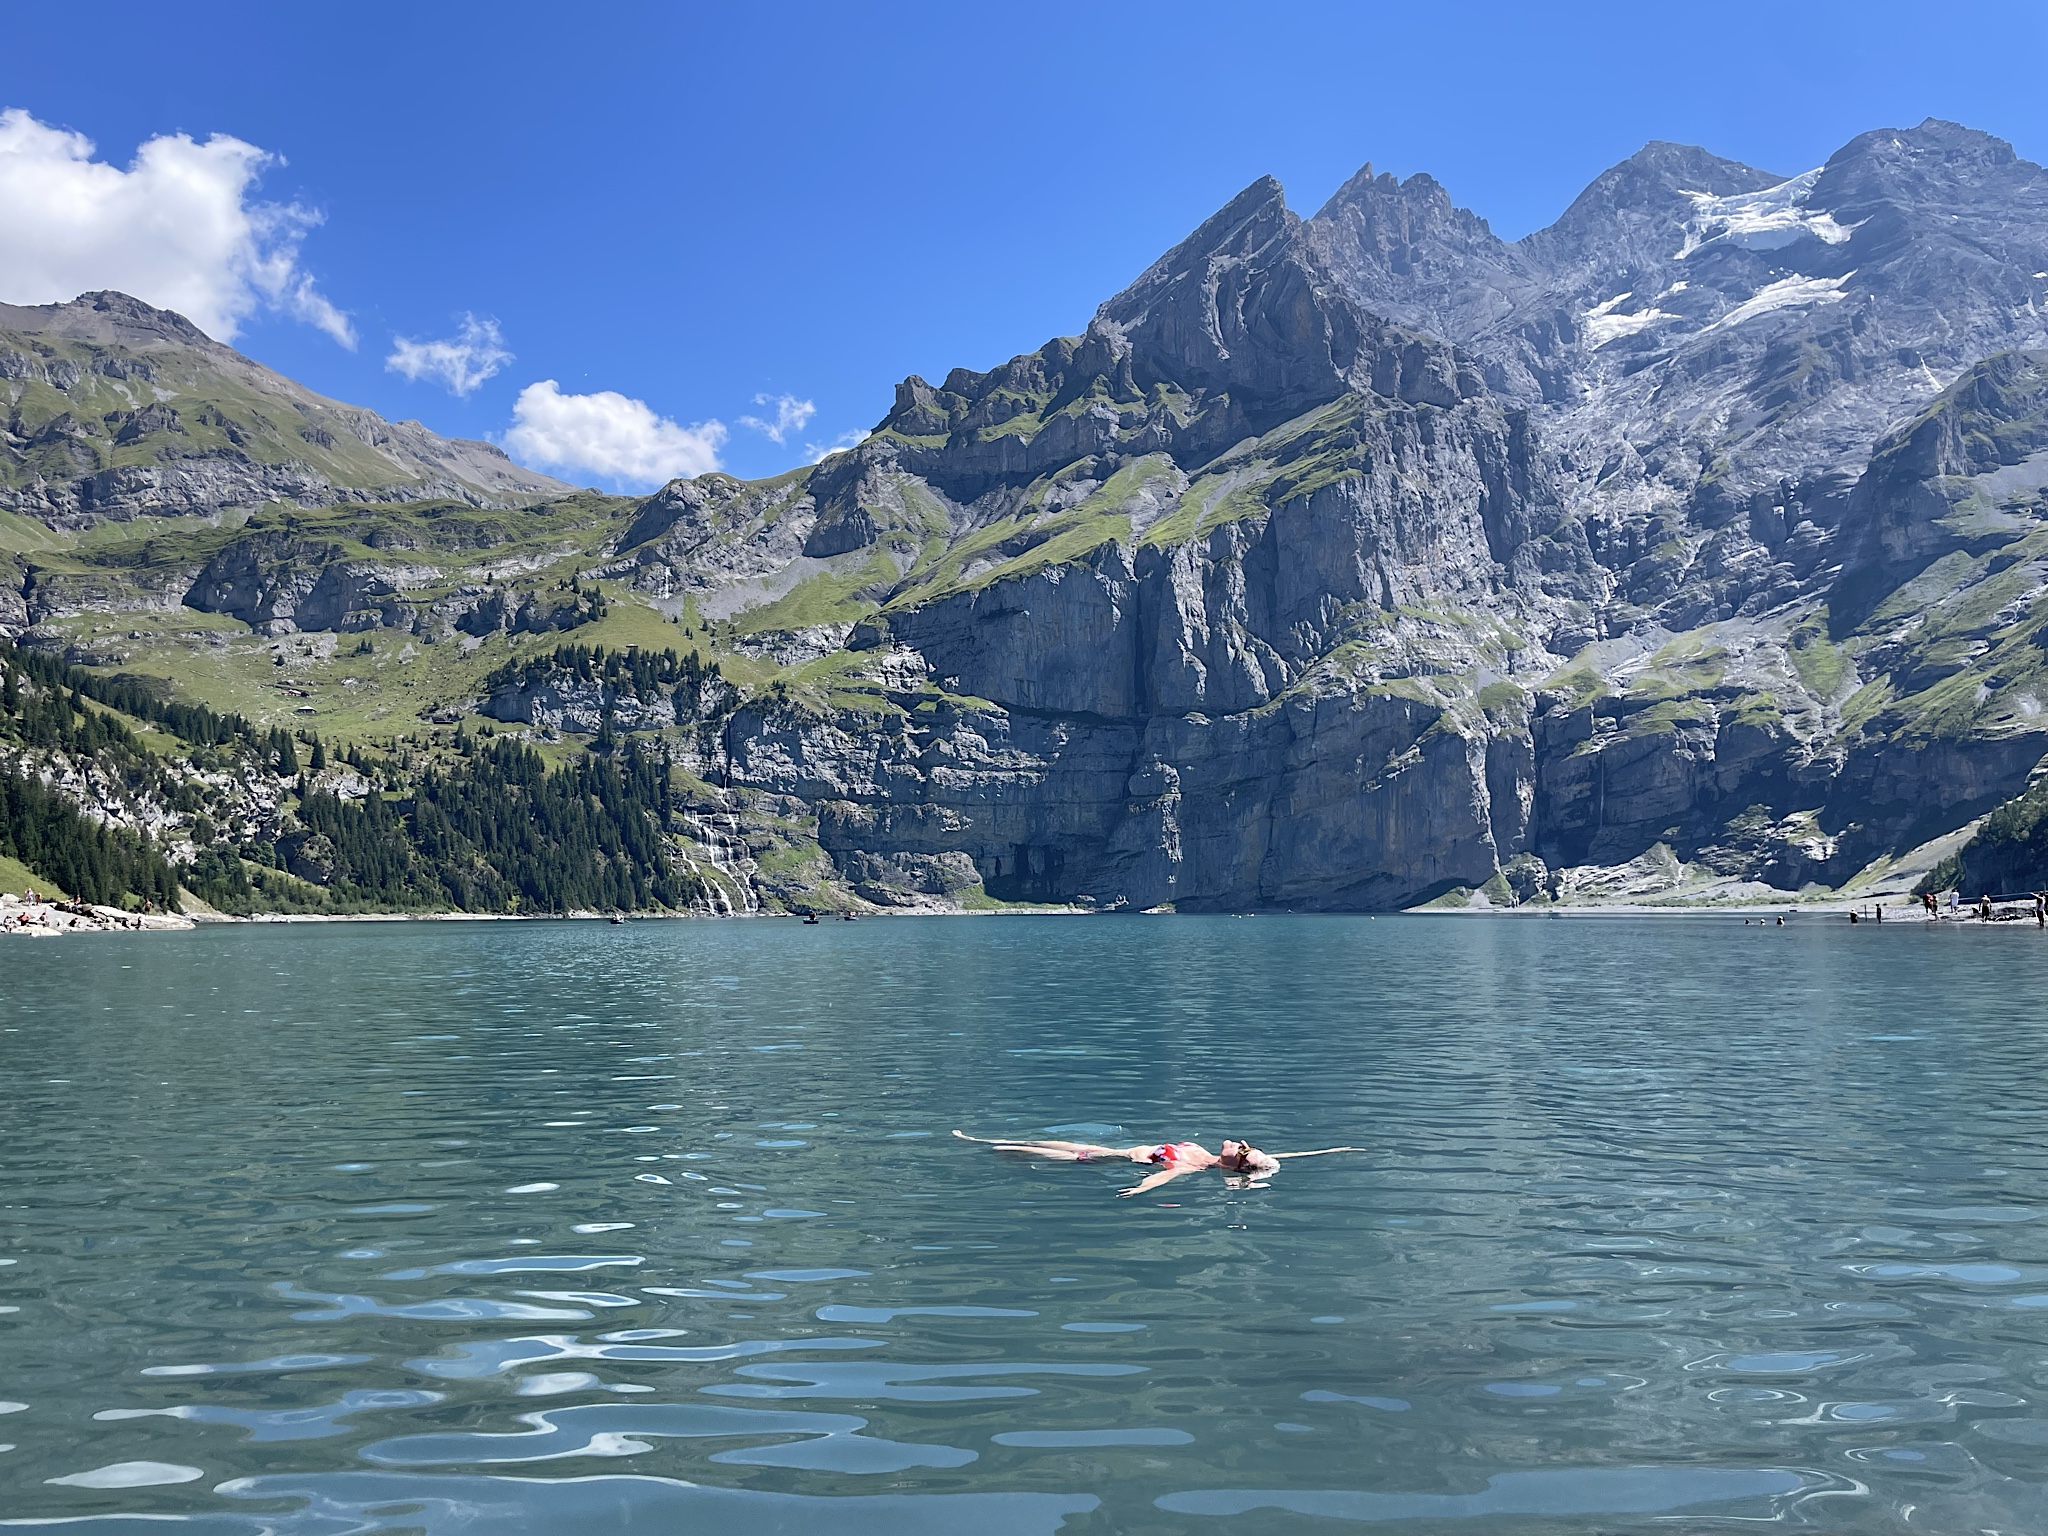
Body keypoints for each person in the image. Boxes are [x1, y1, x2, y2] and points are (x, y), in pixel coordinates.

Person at [952, 1130, 1363, 1196]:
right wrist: (1329, 1152)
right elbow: (1285, 1157)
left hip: (1087, 1161)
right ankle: (976, 1138)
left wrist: (1139, 1189)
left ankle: (975, 1151)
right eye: (1246, 1143)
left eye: (1243, 1150)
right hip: (1096, 1149)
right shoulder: (1212, 1157)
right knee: (1029, 1139)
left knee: (1012, 1153)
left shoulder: (1193, 1166)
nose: (1240, 1143)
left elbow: (1162, 1180)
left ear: (1235, 1168)